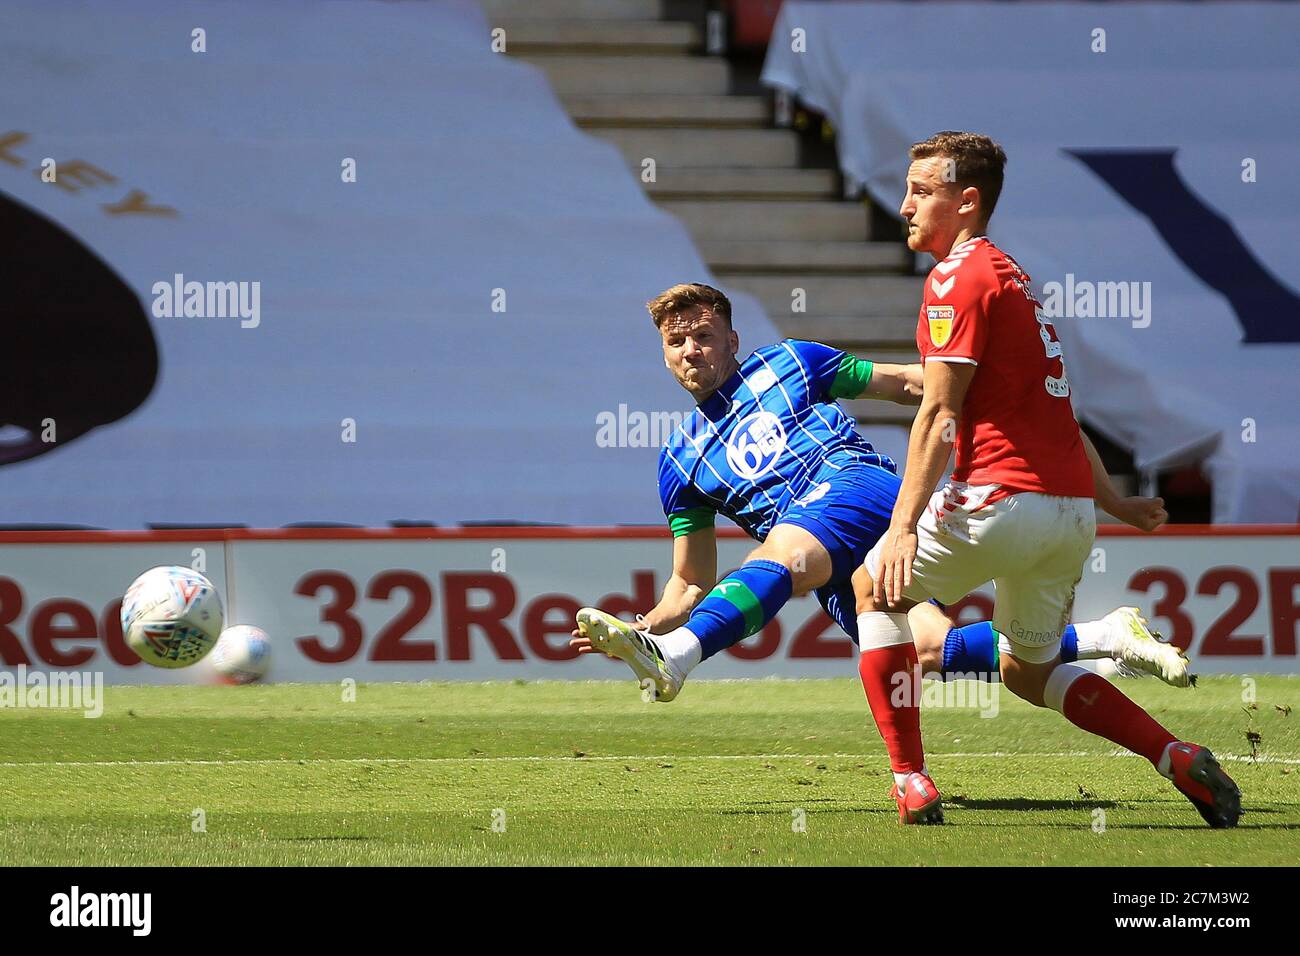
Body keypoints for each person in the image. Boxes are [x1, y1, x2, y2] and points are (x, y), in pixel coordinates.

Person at [571, 282, 1186, 824]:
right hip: (822, 550)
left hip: (862, 492)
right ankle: (1104, 637)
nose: (690, 351)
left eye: (703, 335)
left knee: (786, 554)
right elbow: (689, 582)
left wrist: (980, 390)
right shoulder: (678, 461)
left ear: (732, 338)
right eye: (676, 343)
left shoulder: (789, 361)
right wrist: (641, 627)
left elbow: (907, 383)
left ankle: (677, 661)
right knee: (928, 649)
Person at [859, 131, 1240, 828]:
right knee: (1025, 671)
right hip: (1067, 514)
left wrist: (902, 527)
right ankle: (1175, 756)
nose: (905, 204)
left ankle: (911, 779)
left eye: (922, 192)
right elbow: (1054, 411)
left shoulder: (954, 278)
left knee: (871, 587)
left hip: (1000, 499)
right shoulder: (1015, 282)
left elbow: (941, 411)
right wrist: (1115, 502)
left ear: (966, 202)